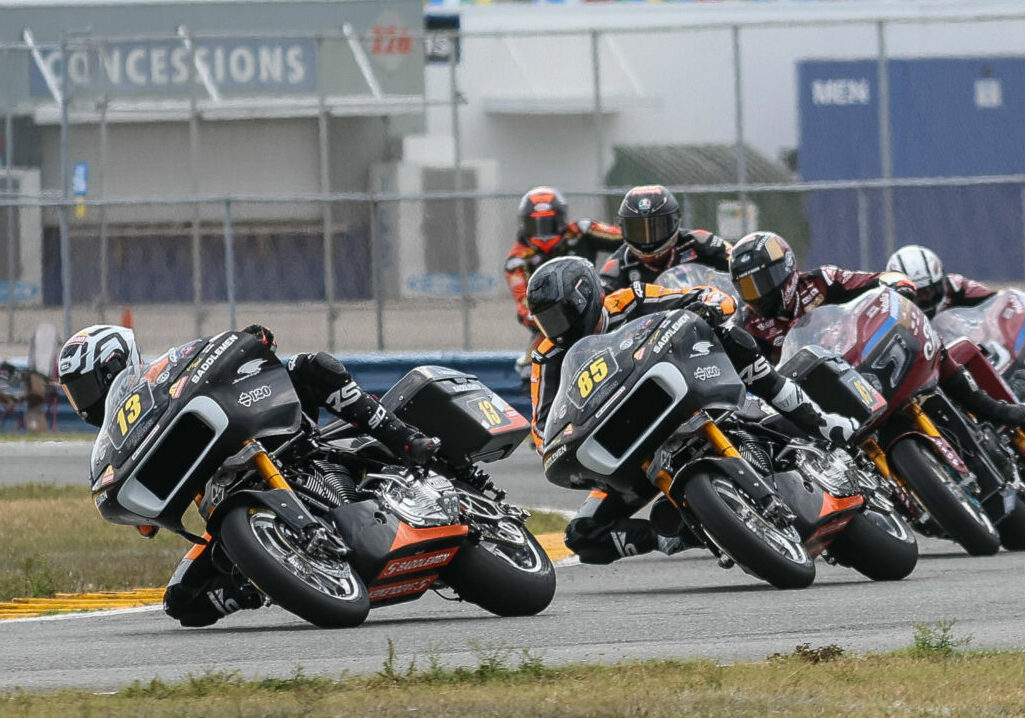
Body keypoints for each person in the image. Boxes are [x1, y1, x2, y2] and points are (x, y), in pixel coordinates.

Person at [56, 323, 440, 627]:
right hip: (227, 500)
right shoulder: (115, 440)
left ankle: (404, 438)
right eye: (75, 393)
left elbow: (217, 357)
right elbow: (133, 510)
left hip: (279, 436)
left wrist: (251, 341)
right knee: (181, 601)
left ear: (114, 363)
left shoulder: (165, 375)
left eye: (85, 386)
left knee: (309, 367)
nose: (83, 401)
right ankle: (257, 582)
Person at [523, 255, 857, 565]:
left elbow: (707, 296)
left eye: (562, 313)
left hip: (688, 392)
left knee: (733, 338)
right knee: (582, 534)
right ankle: (676, 535)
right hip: (632, 447)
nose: (558, 327)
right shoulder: (546, 357)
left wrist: (708, 305)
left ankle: (820, 421)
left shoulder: (630, 299)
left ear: (586, 297)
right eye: (547, 320)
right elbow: (543, 429)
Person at [729, 231, 1025, 427]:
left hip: (859, 357)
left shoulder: (822, 280)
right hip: (816, 393)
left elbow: (870, 281)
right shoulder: (750, 324)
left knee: (932, 344)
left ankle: (986, 406)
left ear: (786, 268)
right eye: (746, 287)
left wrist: (896, 283)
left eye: (761, 282)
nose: (757, 293)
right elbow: (754, 370)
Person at [505, 186, 624, 392]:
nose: (543, 231)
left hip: (597, 307)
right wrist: (559, 318)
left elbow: (627, 238)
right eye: (536, 224)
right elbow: (525, 308)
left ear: (560, 219)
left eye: (548, 223)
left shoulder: (581, 231)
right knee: (530, 366)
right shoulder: (517, 259)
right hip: (552, 326)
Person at [599, 185, 732, 292]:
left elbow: (735, 261)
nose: (648, 239)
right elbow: (601, 305)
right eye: (639, 230)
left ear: (674, 221)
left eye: (656, 228)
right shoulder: (618, 265)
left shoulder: (699, 241)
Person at [883, 244, 995, 317]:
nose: (926, 298)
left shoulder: (957, 287)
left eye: (929, 290)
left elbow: (996, 303)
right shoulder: (887, 309)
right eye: (917, 293)